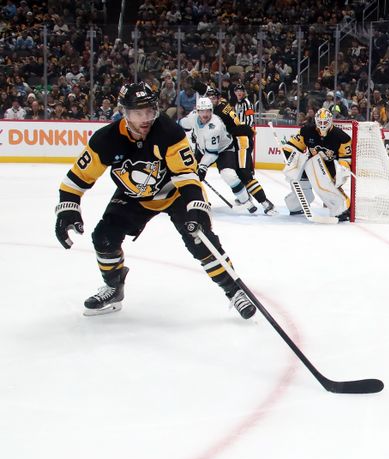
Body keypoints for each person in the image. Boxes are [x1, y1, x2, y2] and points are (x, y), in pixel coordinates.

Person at [54, 82, 256, 319]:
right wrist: (68, 208)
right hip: (133, 196)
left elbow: (186, 175)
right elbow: (77, 178)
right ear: (124, 113)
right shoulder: (105, 139)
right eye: (138, 113)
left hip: (174, 193)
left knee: (201, 240)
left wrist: (196, 206)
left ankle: (234, 291)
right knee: (103, 237)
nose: (145, 119)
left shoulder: (169, 132)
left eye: (149, 112)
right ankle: (113, 288)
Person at [197, 83, 275, 214]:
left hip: (242, 139)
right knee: (239, 173)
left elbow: (247, 121)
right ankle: (249, 197)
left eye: (213, 98)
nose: (210, 101)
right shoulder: (224, 104)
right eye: (209, 98)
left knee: (244, 172)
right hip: (236, 138)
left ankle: (265, 202)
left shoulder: (223, 109)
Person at [180, 96, 259, 213]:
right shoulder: (192, 117)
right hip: (203, 149)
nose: (205, 114)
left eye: (208, 111)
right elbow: (182, 124)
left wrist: (202, 167)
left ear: (211, 110)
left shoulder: (214, 126)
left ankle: (246, 201)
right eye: (202, 111)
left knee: (228, 174)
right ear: (197, 111)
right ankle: (198, 199)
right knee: (190, 174)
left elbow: (212, 154)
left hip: (224, 149)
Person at [281, 108, 352, 222]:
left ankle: (341, 208)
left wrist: (341, 170)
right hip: (311, 164)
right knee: (300, 181)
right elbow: (293, 146)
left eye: (325, 122)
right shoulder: (307, 131)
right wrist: (289, 159)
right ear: (315, 120)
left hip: (331, 166)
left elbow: (346, 158)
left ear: (330, 121)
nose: (322, 125)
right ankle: (295, 206)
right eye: (320, 122)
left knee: (328, 187)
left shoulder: (342, 137)